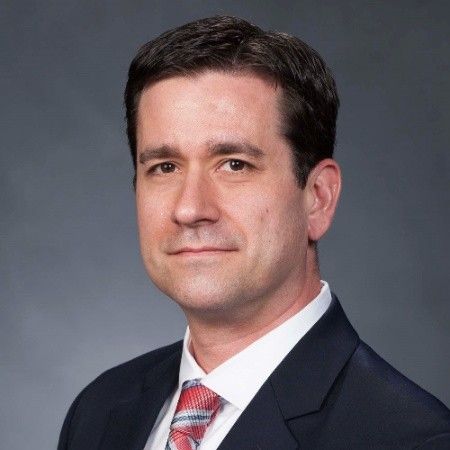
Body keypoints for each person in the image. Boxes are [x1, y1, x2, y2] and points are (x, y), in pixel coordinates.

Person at [58, 16, 449, 450]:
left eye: (234, 165)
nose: (190, 209)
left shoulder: (414, 439)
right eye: (165, 167)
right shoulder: (98, 412)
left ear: (318, 198)